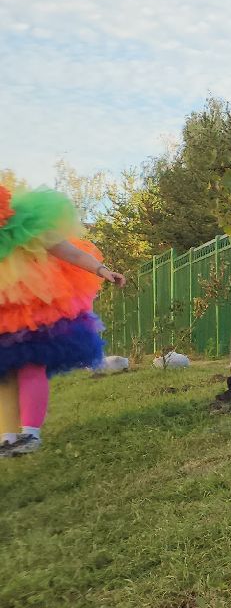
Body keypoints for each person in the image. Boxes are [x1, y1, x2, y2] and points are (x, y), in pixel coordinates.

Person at [0, 184, 125, 458]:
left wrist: (102, 270)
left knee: (32, 365)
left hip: (34, 312)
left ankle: (30, 434)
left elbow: (71, 252)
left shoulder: (26, 224)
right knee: (4, 375)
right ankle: (7, 439)